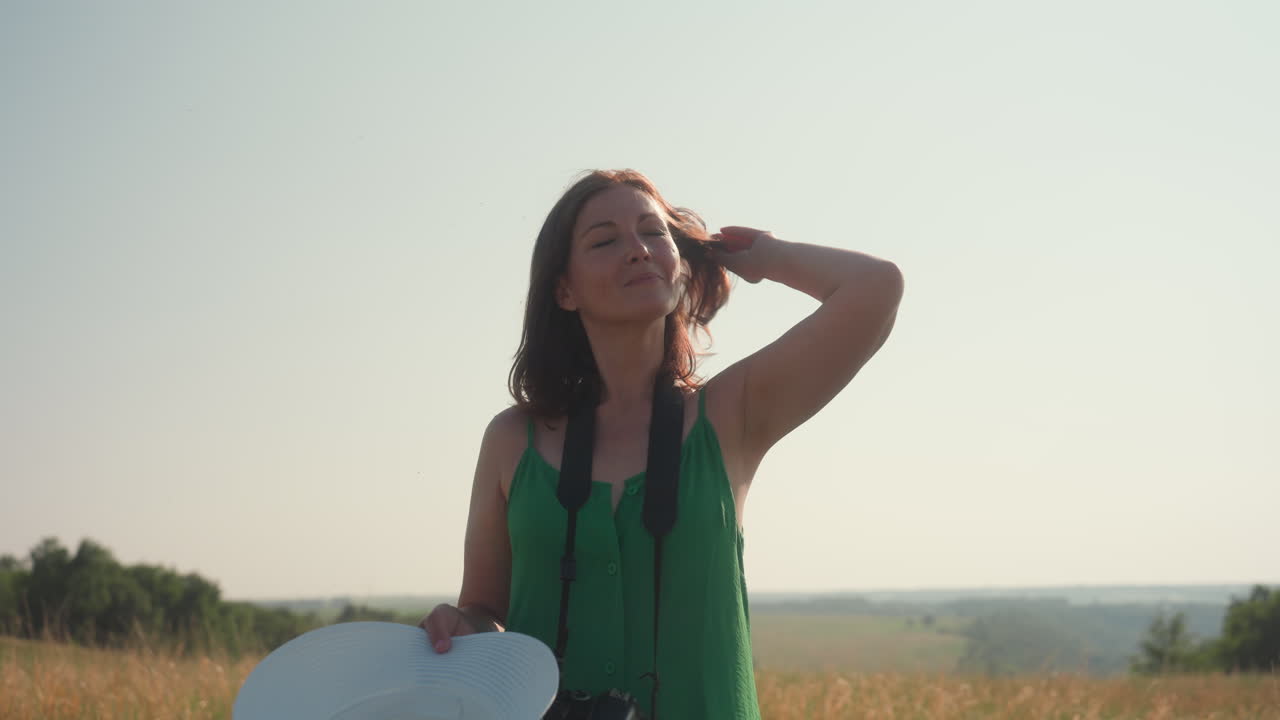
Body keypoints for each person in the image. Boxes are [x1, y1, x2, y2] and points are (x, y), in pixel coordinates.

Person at [419, 169, 903, 718]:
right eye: (605, 240)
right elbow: (485, 609)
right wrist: (462, 626)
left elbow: (877, 287)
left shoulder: (731, 414)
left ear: (680, 264)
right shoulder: (511, 440)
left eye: (654, 234)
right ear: (564, 289)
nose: (637, 251)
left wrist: (766, 256)